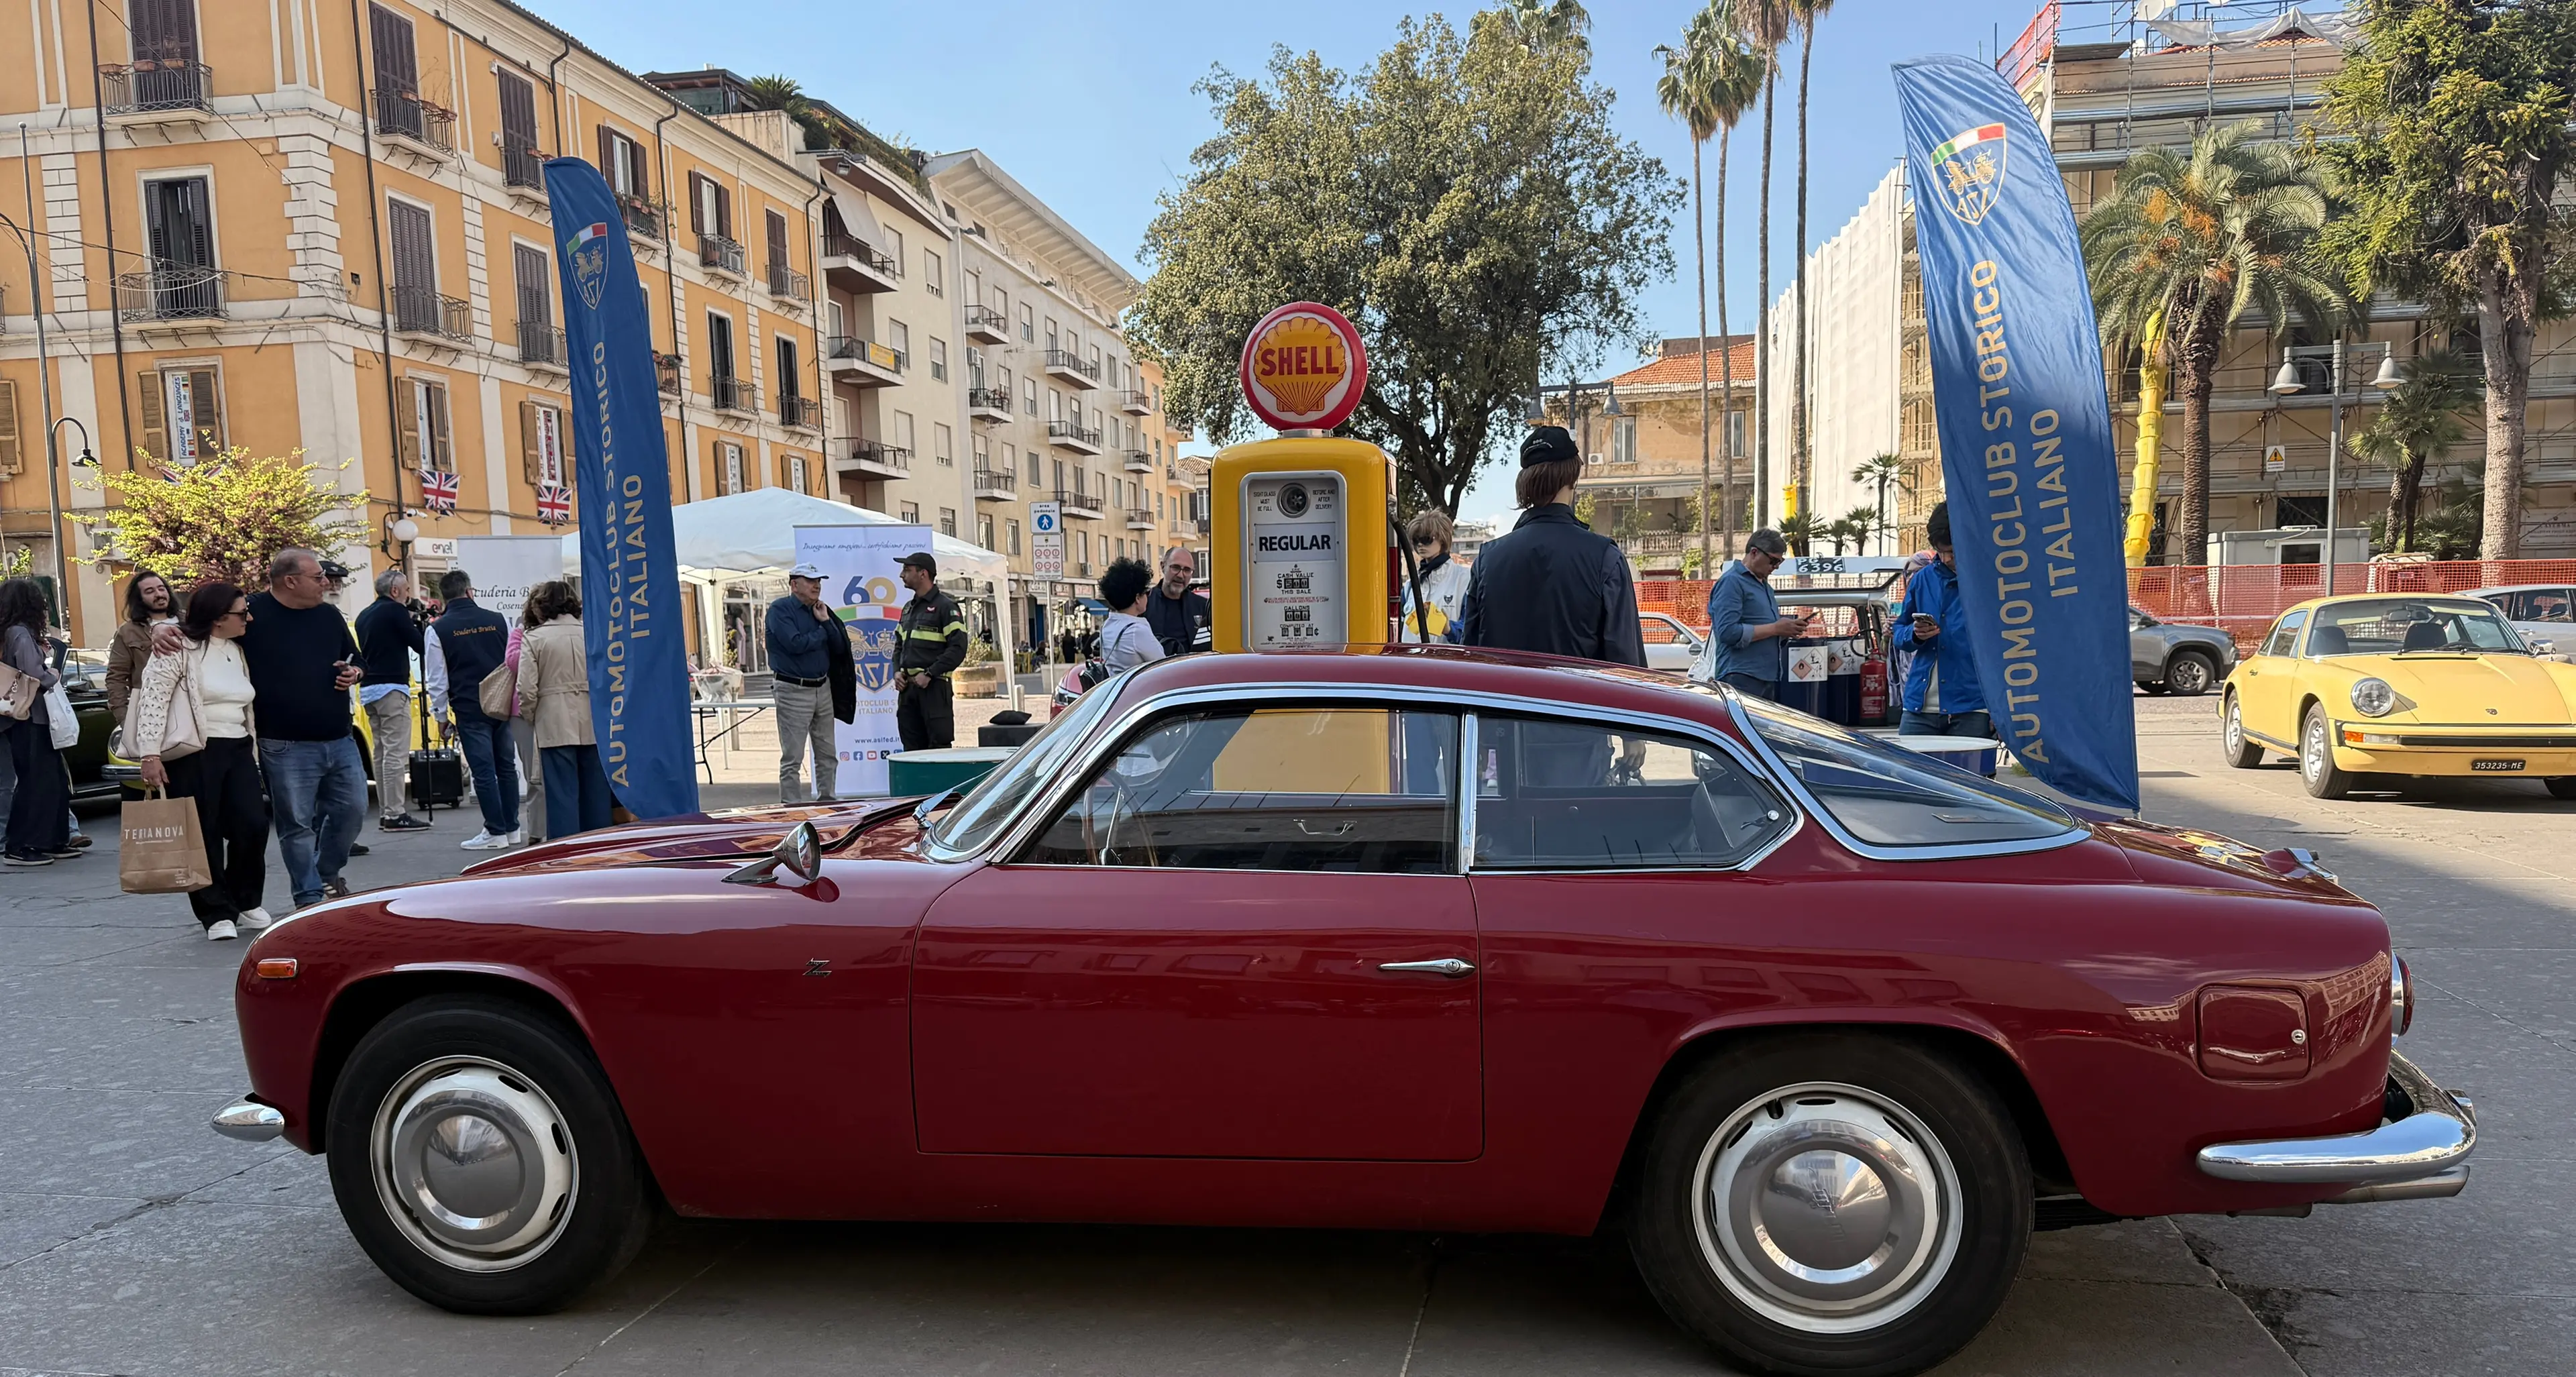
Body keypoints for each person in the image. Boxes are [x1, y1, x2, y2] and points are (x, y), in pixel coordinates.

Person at [129, 584, 272, 939]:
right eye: (242, 613)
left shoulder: (236, 651)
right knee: (203, 831)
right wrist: (150, 755)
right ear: (219, 617)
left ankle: (245, 899)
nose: (249, 619)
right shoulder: (178, 648)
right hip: (195, 751)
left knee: (252, 825)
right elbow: (153, 700)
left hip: (238, 747)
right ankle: (214, 912)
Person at [1458, 425, 1646, 667]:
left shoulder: (1487, 560)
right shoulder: (1605, 559)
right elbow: (1628, 666)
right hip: (1576, 703)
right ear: (1573, 478)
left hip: (1502, 703)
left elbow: (1470, 655)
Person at [425, 569, 521, 850]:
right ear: (470, 591)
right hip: (501, 704)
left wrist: (441, 716)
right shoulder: (498, 620)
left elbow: (437, 678)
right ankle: (512, 827)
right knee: (506, 767)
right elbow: (510, 660)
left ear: (444, 597)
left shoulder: (437, 629)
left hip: (469, 706)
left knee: (483, 771)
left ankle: (495, 831)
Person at [514, 580, 614, 838]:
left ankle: (568, 855)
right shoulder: (593, 633)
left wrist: (531, 714)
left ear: (542, 605)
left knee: (561, 797)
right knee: (596, 794)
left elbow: (526, 688)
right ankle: (600, 850)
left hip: (553, 721)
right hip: (592, 720)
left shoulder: (534, 638)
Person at [1893, 502, 1992, 738]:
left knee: (1970, 776)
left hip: (1973, 707)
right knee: (1906, 775)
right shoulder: (1923, 579)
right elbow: (1899, 631)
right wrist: (1914, 635)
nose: (1947, 558)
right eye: (1941, 552)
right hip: (1919, 706)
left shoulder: (1993, 582)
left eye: (1954, 551)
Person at [0, 578, 77, 867]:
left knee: (51, 780)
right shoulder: (19, 633)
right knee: (37, 781)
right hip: (30, 717)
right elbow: (33, 673)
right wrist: (53, 675)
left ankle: (52, 840)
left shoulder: (11, 634)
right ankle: (21, 845)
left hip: (26, 717)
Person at [354, 569, 431, 832]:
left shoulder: (365, 615)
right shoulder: (395, 611)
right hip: (391, 688)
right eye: (407, 590)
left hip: (369, 688)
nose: (409, 595)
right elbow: (420, 645)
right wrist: (418, 625)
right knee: (396, 754)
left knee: (381, 752)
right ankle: (396, 813)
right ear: (395, 591)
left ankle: (387, 812)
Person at [1706, 529, 1812, 701]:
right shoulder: (1731, 582)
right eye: (1773, 561)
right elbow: (1728, 633)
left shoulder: (1764, 587)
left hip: (1765, 677)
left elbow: (1766, 630)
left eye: (1780, 562)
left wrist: (1786, 631)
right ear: (1754, 552)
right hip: (1741, 676)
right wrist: (1775, 628)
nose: (1776, 567)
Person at [765, 561, 841, 804]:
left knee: (828, 753)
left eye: (818, 581)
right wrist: (823, 630)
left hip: (822, 688)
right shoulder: (780, 610)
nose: (816, 585)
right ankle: (791, 808)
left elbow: (839, 645)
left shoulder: (820, 610)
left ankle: (828, 802)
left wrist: (827, 623)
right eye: (811, 581)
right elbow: (795, 644)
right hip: (792, 689)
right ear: (794, 584)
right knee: (793, 757)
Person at [893, 551, 968, 751]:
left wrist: (929, 673)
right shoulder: (909, 608)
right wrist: (897, 671)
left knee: (938, 749)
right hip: (908, 691)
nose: (902, 575)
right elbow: (899, 646)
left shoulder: (946, 607)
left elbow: (958, 648)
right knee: (911, 750)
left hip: (934, 689)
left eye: (907, 570)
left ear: (923, 574)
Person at [501, 600, 547, 843]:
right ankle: (538, 833)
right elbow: (513, 662)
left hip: (553, 710)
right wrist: (538, 647)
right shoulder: (521, 633)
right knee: (534, 776)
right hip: (523, 713)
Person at [106, 570, 175, 720]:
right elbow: (116, 679)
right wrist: (124, 719)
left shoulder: (189, 623)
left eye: (161, 588)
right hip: (151, 713)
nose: (158, 594)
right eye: (150, 591)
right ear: (139, 599)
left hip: (191, 710)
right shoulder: (128, 632)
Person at [1399, 510, 1473, 643]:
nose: (1420, 545)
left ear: (1442, 538)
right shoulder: (1409, 587)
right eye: (1416, 541)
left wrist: (1448, 628)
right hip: (1410, 661)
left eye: (1426, 539)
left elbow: (1472, 633)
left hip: (1447, 662)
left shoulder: (1465, 580)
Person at [1096, 558, 1166, 671]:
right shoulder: (1136, 631)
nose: (1148, 597)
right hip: (1137, 688)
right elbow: (1163, 666)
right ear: (1138, 598)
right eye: (1147, 592)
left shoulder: (1107, 626)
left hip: (1115, 686)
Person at [1142, 547, 1210, 657]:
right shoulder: (1144, 604)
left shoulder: (1204, 607)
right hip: (1154, 671)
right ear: (1163, 567)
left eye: (1187, 570)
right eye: (1175, 568)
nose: (1180, 575)